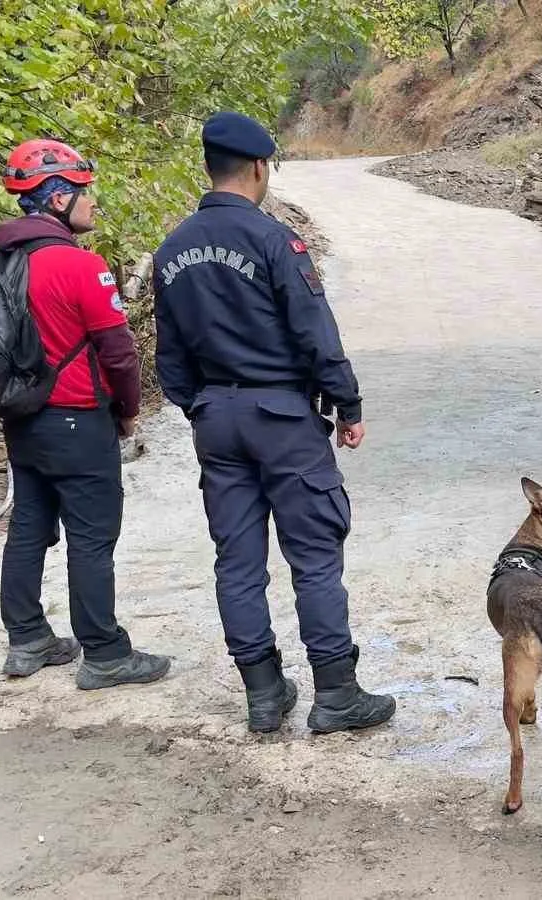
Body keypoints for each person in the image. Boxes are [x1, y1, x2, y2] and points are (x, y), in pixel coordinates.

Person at [153, 111, 394, 735]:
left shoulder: (172, 249)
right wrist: (348, 405)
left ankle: (263, 694)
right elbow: (315, 331)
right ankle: (336, 694)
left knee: (236, 561)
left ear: (210, 167)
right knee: (314, 557)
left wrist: (203, 407)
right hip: (282, 417)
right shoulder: (274, 241)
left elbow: (170, 358)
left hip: (216, 419)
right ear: (259, 167)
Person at [0, 139, 171, 690]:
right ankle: (105, 653)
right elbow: (118, 351)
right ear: (56, 198)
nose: (91, 202)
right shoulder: (80, 264)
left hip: (23, 419)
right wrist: (128, 411)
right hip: (77, 418)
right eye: (82, 191)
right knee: (91, 537)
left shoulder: (0, 263)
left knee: (28, 526)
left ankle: (27, 639)